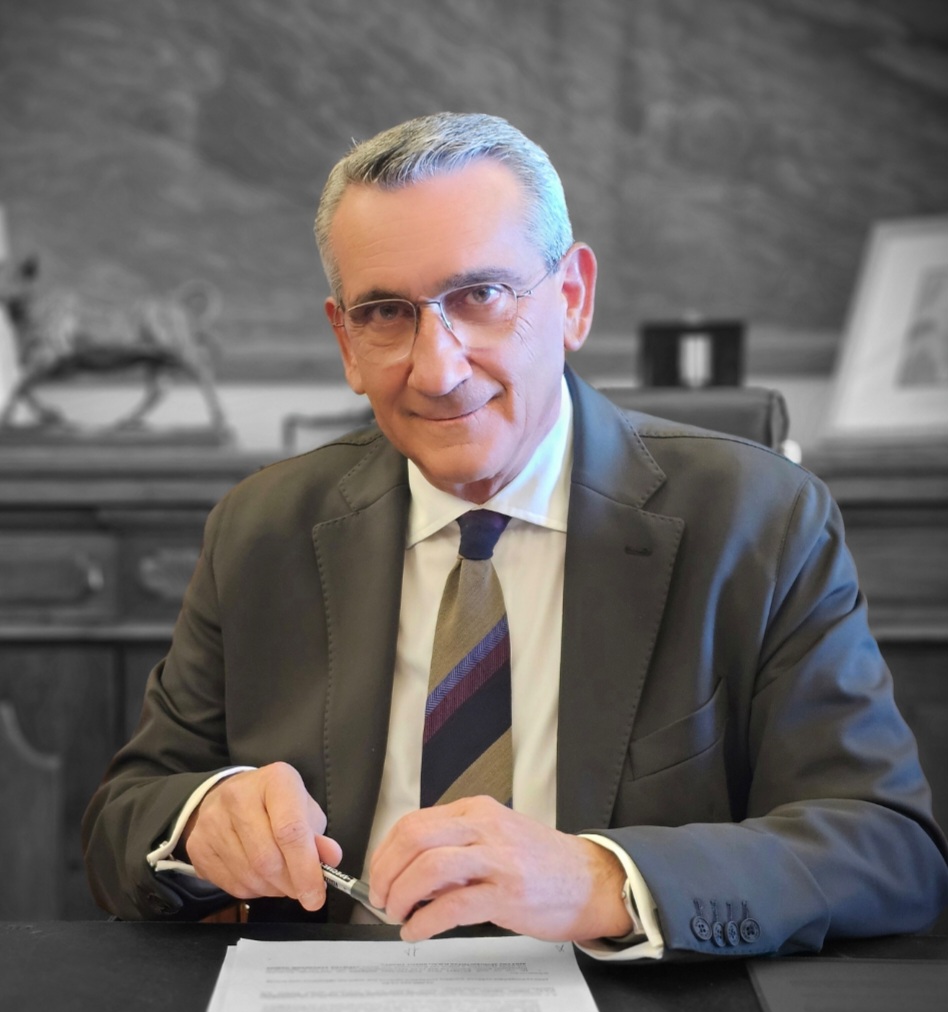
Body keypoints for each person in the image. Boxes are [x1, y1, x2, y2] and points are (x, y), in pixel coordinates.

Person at [82, 112, 948, 959]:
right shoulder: (263, 527)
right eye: (386, 312)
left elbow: (886, 848)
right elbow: (125, 820)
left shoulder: (759, 520)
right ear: (346, 341)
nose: (439, 369)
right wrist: (201, 821)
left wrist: (602, 881)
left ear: (572, 299)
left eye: (482, 296)